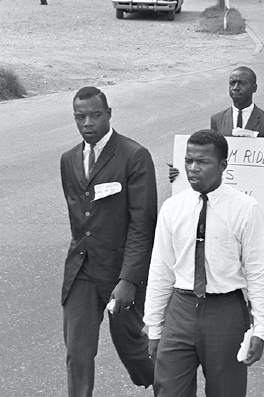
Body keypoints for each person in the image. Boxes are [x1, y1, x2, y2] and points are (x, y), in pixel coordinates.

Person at [145, 129, 264, 396]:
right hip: (180, 310)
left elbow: (260, 272)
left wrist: (262, 329)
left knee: (226, 391)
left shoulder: (245, 209)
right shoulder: (173, 208)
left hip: (225, 313)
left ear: (223, 166)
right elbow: (160, 269)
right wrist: (155, 325)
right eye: (188, 161)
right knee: (169, 390)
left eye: (202, 162)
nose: (193, 169)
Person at [60, 86, 157, 397]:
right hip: (82, 270)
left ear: (109, 114)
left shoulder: (134, 155)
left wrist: (129, 278)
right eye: (80, 117)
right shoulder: (69, 159)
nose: (87, 122)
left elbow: (143, 225)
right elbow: (80, 217)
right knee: (78, 352)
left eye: (95, 115)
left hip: (120, 272)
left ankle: (169, 385)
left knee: (134, 348)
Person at [168, 66, 264, 197]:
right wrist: (180, 172)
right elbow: (211, 155)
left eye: (242, 83)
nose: (236, 87)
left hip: (253, 192)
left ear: (254, 88)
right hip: (224, 191)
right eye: (232, 83)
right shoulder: (217, 119)